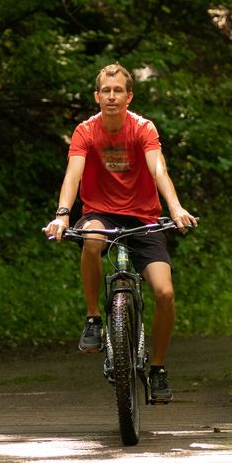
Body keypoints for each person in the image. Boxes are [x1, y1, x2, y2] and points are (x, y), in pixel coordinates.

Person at [43, 63, 197, 403]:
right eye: (106, 92)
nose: (112, 97)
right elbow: (73, 175)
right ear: (97, 96)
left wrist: (175, 208)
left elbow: (159, 169)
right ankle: (94, 318)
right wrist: (63, 216)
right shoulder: (86, 130)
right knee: (92, 240)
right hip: (100, 213)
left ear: (129, 96)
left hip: (144, 218)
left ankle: (157, 368)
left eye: (118, 92)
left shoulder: (142, 128)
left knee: (165, 293)